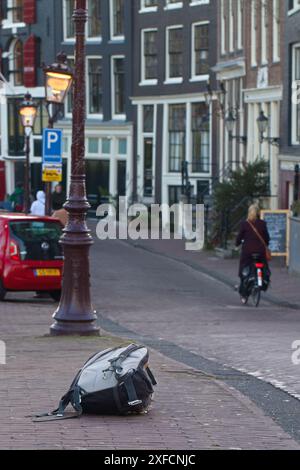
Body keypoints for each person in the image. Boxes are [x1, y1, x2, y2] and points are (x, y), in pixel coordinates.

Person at [236, 204, 270, 300]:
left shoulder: (244, 224)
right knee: (263, 265)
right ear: (258, 213)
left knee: (243, 269)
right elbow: (267, 238)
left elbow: (239, 237)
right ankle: (263, 281)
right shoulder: (263, 223)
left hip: (248, 251)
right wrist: (266, 244)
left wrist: (237, 243)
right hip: (260, 251)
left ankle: (244, 292)